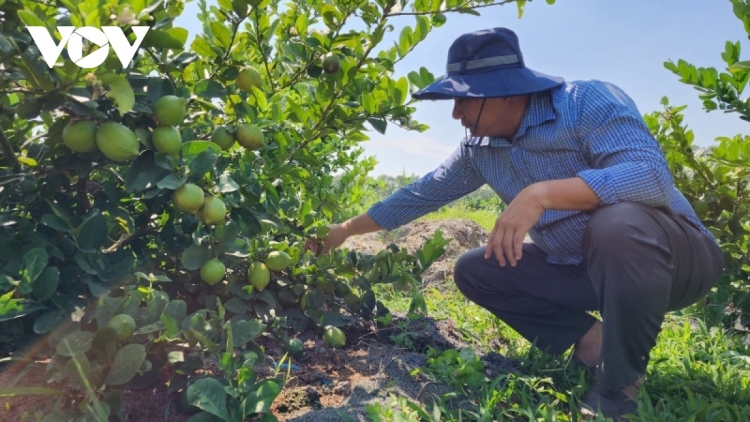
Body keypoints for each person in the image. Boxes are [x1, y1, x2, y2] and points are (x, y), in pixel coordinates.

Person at [306, 27, 724, 419]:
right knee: (477, 269)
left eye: (464, 100)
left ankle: (619, 386)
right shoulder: (479, 148)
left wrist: (541, 194)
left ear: (504, 93)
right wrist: (344, 230)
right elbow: (421, 193)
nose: (456, 114)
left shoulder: (586, 103)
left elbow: (649, 177)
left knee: (616, 223)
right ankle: (591, 340)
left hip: (675, 261)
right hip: (582, 269)